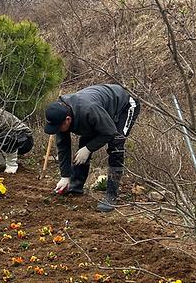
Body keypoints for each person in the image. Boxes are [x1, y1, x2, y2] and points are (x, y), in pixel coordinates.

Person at [44, 83, 140, 212]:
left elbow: (110, 132)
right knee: (85, 143)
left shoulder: (88, 109)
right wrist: (65, 176)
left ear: (68, 119)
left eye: (58, 128)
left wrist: (88, 149)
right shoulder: (59, 113)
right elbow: (63, 146)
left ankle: (111, 195)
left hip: (124, 105)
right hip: (100, 110)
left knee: (116, 145)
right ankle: (75, 186)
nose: (58, 130)